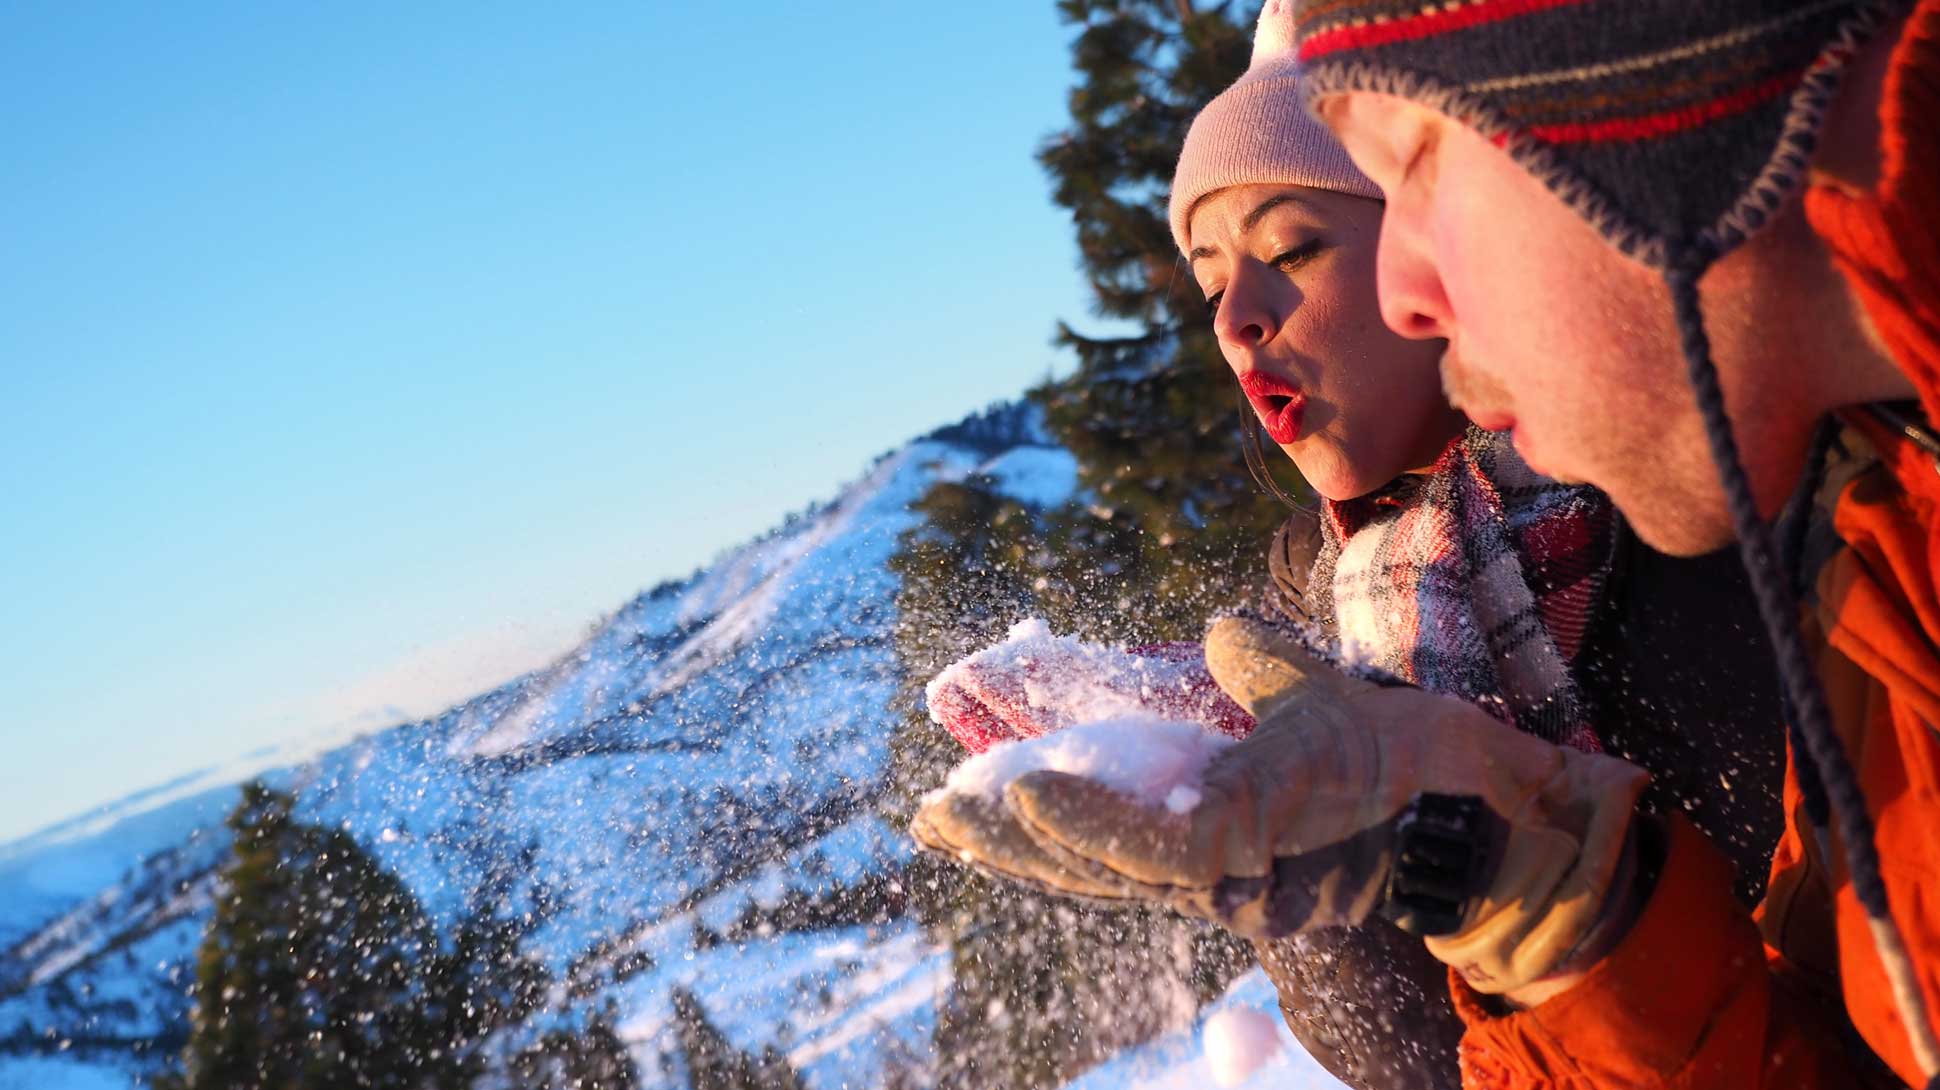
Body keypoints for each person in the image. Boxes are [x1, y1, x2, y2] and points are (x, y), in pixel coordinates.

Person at [920, 0, 1940, 1087]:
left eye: (1296, 244)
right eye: (1209, 284)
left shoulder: (1744, 505)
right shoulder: (1342, 599)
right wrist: (1489, 888)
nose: (1231, 320)